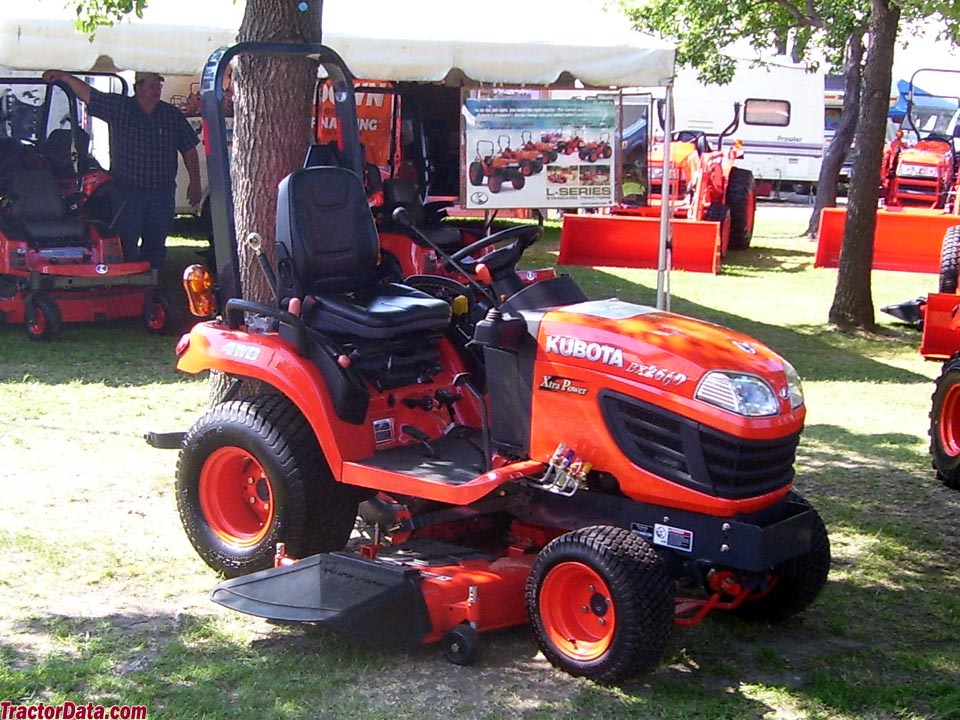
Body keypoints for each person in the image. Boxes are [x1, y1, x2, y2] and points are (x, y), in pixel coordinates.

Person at [41, 69, 202, 269]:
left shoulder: (172, 115)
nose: (156, 90)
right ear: (138, 87)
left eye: (158, 85)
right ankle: (129, 284)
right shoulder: (120, 107)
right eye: (151, 85)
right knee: (125, 244)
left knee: (156, 246)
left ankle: (151, 287)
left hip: (162, 193)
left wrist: (195, 181)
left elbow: (189, 148)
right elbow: (90, 95)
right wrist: (65, 77)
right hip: (128, 193)